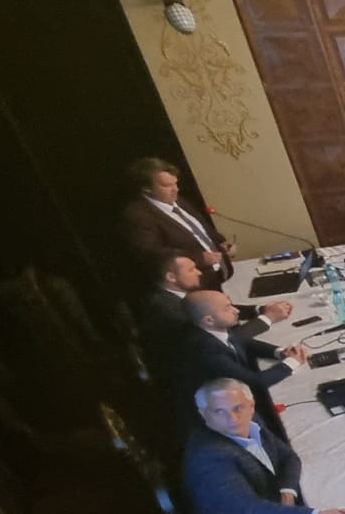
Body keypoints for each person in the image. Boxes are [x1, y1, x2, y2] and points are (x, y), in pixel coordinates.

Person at [182, 378, 345, 514]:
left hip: (275, 513)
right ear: (203, 414)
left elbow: (288, 457)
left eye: (238, 408)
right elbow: (248, 509)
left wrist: (287, 490)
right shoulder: (209, 458)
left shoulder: (252, 421)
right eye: (219, 412)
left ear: (251, 405)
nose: (233, 419)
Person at [169, 290, 306, 440]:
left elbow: (243, 342)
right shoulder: (207, 352)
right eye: (227, 308)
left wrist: (279, 352)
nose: (236, 310)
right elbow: (255, 383)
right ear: (209, 320)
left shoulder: (212, 329)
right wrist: (292, 362)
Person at [123, 158, 231, 286]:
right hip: (197, 284)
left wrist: (221, 242)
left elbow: (201, 229)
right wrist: (199, 258)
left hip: (222, 275)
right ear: (146, 189)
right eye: (167, 186)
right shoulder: (139, 215)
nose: (176, 189)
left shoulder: (179, 200)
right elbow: (154, 255)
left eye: (175, 183)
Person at [142, 252, 292, 338]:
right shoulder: (169, 311)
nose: (199, 273)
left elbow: (218, 309)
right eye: (191, 270)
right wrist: (268, 318)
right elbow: (226, 340)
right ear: (171, 277)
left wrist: (261, 309)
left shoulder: (179, 289)